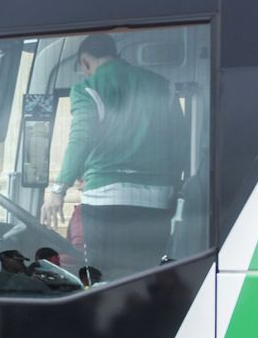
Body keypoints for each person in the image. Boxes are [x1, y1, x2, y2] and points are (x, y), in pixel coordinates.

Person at [40, 33, 186, 282]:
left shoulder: (88, 88)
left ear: (85, 61)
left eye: (83, 69)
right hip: (157, 200)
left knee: (106, 279)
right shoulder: (162, 85)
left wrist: (58, 190)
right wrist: (174, 185)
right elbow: (180, 140)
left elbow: (80, 139)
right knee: (148, 275)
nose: (85, 74)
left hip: (105, 201)